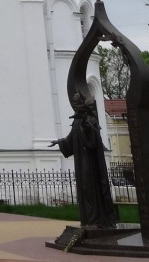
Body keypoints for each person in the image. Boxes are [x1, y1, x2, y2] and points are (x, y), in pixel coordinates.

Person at [51, 93, 117, 229]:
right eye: (73, 102)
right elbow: (71, 139)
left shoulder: (90, 118)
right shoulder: (76, 121)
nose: (75, 104)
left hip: (90, 160)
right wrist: (59, 142)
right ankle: (87, 220)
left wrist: (87, 126)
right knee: (83, 188)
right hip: (80, 161)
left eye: (77, 102)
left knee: (89, 187)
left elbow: (94, 138)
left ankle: (96, 220)